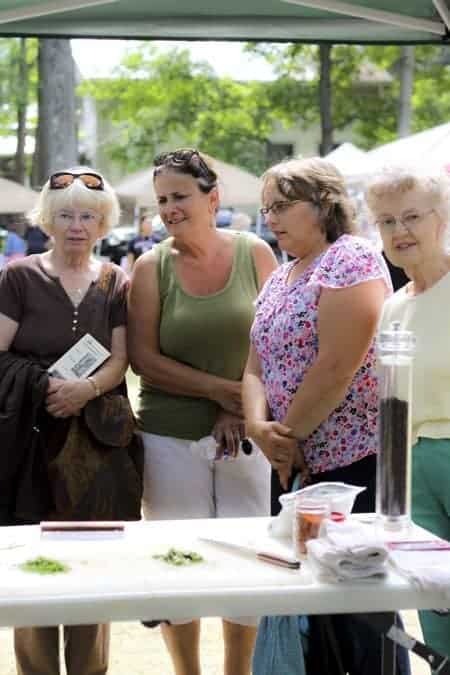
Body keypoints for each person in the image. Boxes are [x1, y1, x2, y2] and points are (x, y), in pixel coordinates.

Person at [242, 157, 406, 675]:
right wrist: (255, 427)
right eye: (267, 207)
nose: (271, 217)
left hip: (349, 466)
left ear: (325, 203)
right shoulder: (282, 273)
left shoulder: (351, 258)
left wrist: (285, 437)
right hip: (290, 461)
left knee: (358, 612)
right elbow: (253, 365)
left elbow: (339, 363)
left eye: (283, 205)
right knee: (305, 606)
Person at [128, 148, 278, 675]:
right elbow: (145, 359)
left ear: (212, 198)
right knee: (178, 563)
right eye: (162, 199)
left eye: (180, 196)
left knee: (247, 562)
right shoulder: (150, 267)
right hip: (169, 435)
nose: (169, 208)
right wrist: (221, 393)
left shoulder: (256, 253)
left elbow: (275, 341)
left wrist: (240, 405)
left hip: (247, 434)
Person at [0, 167, 143, 675]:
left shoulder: (116, 281)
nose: (76, 224)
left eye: (87, 215)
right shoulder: (18, 276)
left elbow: (121, 357)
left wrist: (86, 389)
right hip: (32, 442)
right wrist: (45, 387)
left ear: (103, 222)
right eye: (65, 215)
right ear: (48, 220)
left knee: (92, 565)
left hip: (98, 445)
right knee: (34, 564)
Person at [366, 165, 450, 659]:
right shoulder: (393, 307)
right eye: (386, 221)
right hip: (410, 470)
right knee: (435, 610)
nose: (399, 231)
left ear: (441, 219)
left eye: (412, 216)